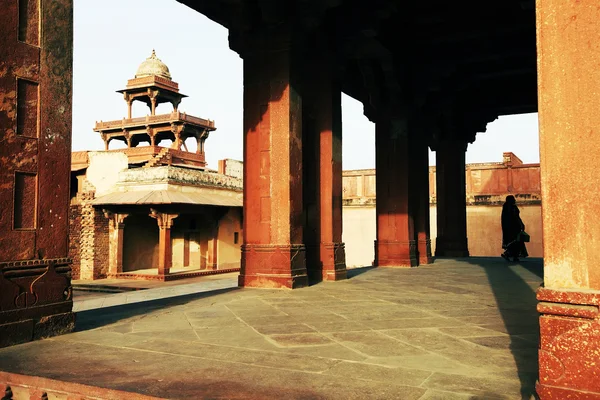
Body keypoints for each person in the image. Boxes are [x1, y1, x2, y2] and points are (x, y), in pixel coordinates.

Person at [501, 195, 528, 262]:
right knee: (516, 241)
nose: (515, 200)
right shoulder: (512, 207)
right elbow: (516, 217)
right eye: (513, 199)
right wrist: (521, 224)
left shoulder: (506, 206)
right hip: (514, 227)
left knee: (513, 241)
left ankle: (511, 254)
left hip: (509, 227)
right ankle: (511, 254)